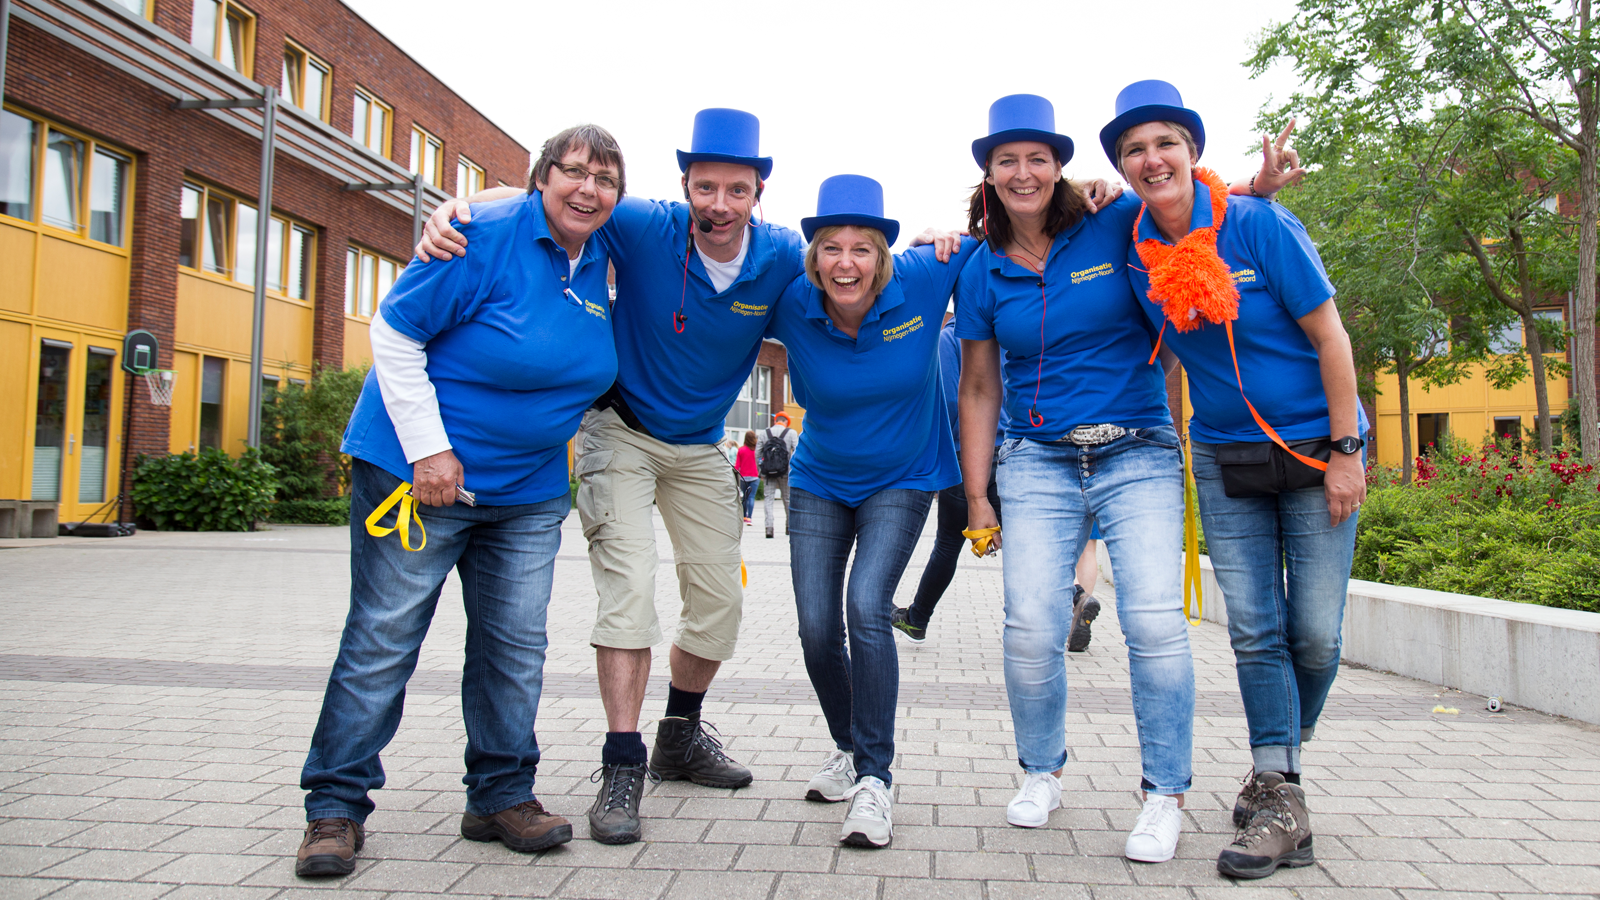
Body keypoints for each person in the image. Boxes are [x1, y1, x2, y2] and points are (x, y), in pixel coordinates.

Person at [418, 108, 802, 844]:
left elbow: (857, 264)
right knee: (629, 591)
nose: (720, 204)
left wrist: (932, 244)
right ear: (685, 186)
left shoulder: (781, 253)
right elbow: (539, 199)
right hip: (621, 431)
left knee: (719, 600)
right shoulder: (645, 225)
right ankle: (623, 762)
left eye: (737, 190)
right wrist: (454, 208)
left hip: (700, 447)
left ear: (759, 192)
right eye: (706, 187)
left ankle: (679, 737)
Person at [955, 94, 1298, 864]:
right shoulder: (981, 267)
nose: (1023, 172)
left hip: (1136, 448)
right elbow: (977, 386)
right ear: (989, 173)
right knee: (1030, 625)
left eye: (1037, 158)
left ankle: (1164, 794)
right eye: (1007, 161)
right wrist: (978, 495)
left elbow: (1188, 209)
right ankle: (1041, 771)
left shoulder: (1111, 222)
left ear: (1059, 166)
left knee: (1153, 623)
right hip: (1035, 456)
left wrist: (1258, 188)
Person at [294, 125, 624, 877]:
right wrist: (428, 450)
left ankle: (500, 795)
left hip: (527, 491)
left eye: (605, 179)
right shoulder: (480, 237)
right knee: (383, 639)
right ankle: (334, 807)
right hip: (418, 475)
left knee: (515, 646)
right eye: (572, 171)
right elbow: (394, 330)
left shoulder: (608, 254)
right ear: (541, 177)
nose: (588, 189)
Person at [1104, 80, 1360, 880]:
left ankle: (1277, 766)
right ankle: (1280, 792)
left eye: (1165, 144)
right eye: (1134, 150)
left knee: (1315, 635)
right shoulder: (1133, 247)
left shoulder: (1258, 225)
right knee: (1255, 629)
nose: (1152, 160)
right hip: (1224, 456)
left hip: (1316, 448)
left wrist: (1348, 449)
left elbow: (1332, 336)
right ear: (1122, 166)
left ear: (1193, 152)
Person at [768, 175, 979, 849]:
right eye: (832, 247)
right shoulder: (791, 299)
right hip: (819, 480)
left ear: (884, 254)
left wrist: (1091, 194)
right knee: (814, 627)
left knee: (866, 608)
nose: (846, 263)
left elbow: (1016, 233)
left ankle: (875, 780)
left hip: (903, 478)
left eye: (862, 248)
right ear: (814, 256)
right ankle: (849, 747)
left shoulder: (922, 276)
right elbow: (715, 289)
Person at [758, 414, 798, 537]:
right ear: (786, 422)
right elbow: (797, 451)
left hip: (768, 472)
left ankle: (769, 528)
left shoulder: (764, 433)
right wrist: (792, 469)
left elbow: (757, 452)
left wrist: (761, 470)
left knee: (768, 499)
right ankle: (789, 527)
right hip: (785, 472)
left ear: (775, 421)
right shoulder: (791, 433)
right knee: (787, 499)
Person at [736, 430, 760, 523]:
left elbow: (737, 465)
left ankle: (744, 516)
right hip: (754, 476)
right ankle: (750, 517)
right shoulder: (756, 450)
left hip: (743, 477)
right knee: (751, 497)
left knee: (745, 497)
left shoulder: (741, 450)